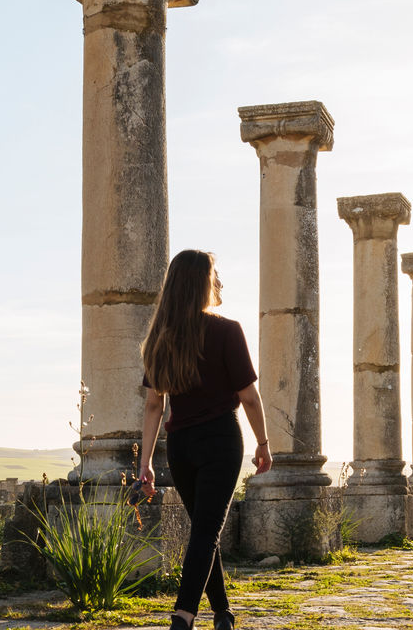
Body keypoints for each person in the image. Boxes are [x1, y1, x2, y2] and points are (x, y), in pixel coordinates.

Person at [138, 249, 272, 630]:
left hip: (180, 447)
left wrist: (145, 462)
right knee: (207, 530)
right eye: (214, 274)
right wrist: (263, 443)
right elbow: (248, 396)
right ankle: (183, 615)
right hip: (220, 441)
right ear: (201, 283)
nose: (219, 281)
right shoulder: (227, 330)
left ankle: (223, 614)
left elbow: (153, 406)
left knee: (203, 529)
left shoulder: (160, 339)